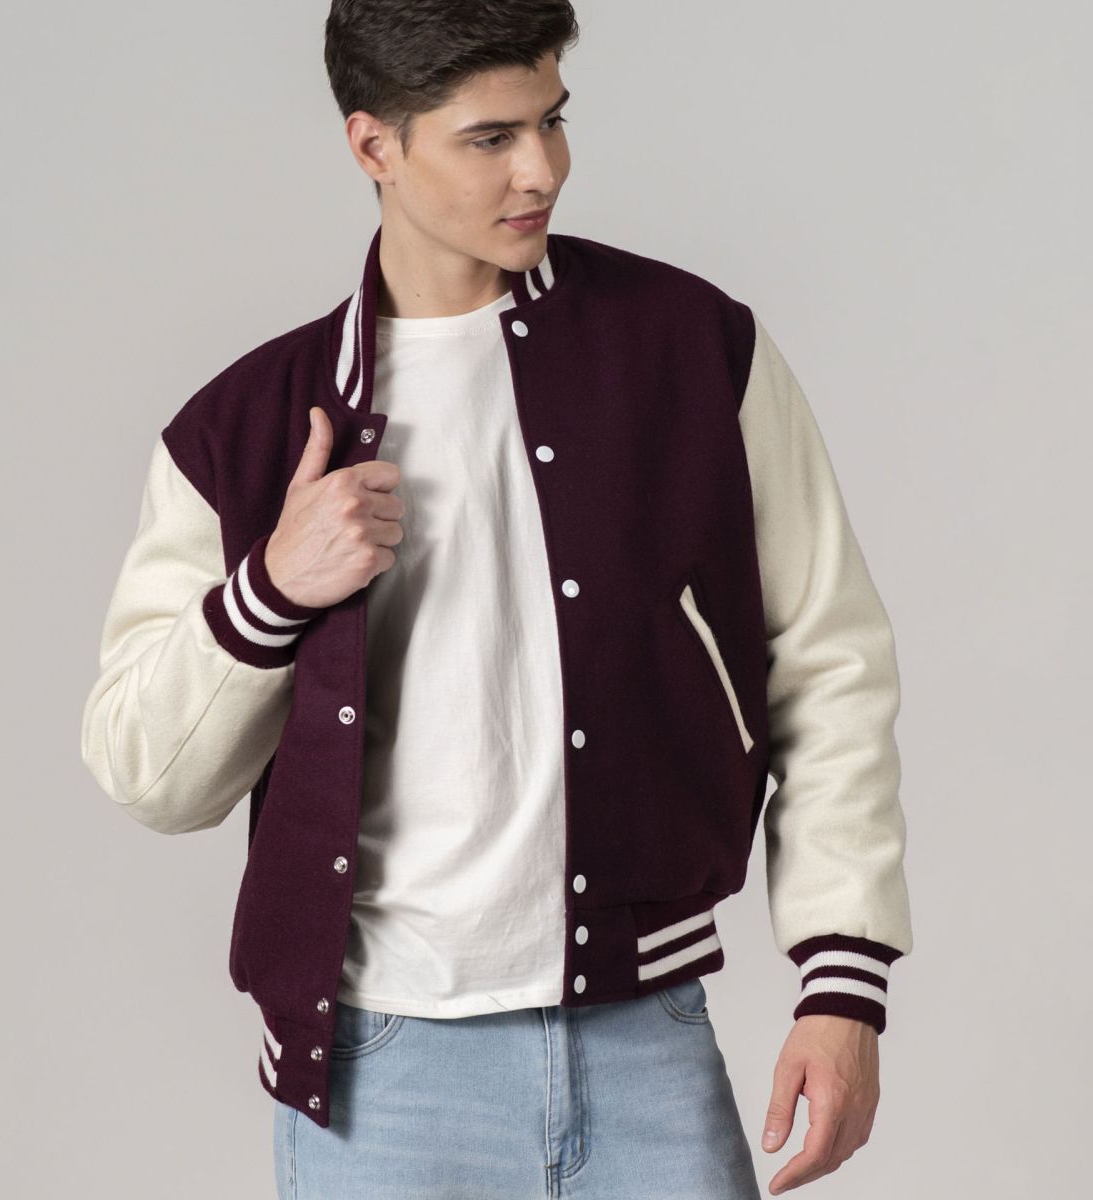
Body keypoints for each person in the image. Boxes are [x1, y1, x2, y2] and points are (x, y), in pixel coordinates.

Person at [80, 3, 913, 1196]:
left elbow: (829, 659)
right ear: (374, 145)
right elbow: (145, 774)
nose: (543, 171)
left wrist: (844, 984)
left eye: (552, 121)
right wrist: (270, 590)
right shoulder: (245, 429)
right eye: (490, 139)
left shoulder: (690, 349)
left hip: (647, 1043)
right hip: (382, 1078)